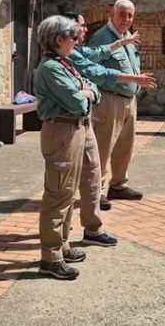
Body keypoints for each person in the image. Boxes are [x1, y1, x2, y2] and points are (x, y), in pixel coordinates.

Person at [65, 13, 156, 243]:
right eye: (81, 26)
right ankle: (60, 244)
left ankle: (110, 195)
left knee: (121, 148)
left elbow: (93, 56)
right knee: (94, 162)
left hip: (121, 101)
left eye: (131, 15)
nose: (84, 31)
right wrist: (97, 92)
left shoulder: (78, 51)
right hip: (80, 119)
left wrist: (122, 43)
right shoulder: (57, 62)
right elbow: (97, 71)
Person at [34, 15, 97, 280]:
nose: (76, 41)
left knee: (69, 192)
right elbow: (77, 102)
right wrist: (85, 94)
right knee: (58, 195)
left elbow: (92, 88)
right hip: (62, 131)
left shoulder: (64, 63)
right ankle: (50, 258)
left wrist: (88, 92)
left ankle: (62, 244)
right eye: (73, 37)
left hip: (74, 129)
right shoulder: (50, 68)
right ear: (59, 40)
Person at [88, 0, 146, 202]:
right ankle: (97, 191)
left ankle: (119, 185)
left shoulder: (128, 36)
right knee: (103, 146)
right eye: (122, 14)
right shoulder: (102, 37)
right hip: (109, 100)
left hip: (129, 100)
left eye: (130, 15)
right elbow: (89, 68)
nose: (126, 19)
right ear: (111, 14)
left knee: (125, 146)